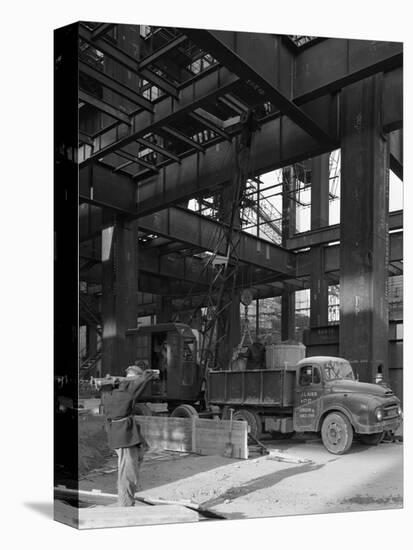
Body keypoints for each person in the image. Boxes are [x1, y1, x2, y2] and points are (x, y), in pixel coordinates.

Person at [100, 365, 157, 506]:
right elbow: (139, 383)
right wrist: (147, 375)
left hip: (120, 433)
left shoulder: (108, 392)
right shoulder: (127, 393)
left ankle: (125, 499)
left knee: (133, 461)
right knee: (128, 472)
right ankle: (126, 503)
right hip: (124, 436)